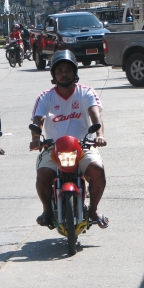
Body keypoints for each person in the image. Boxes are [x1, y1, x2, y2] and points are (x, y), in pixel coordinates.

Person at [29, 50, 109, 229]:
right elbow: (38, 120)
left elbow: (96, 116)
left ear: (75, 72)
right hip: (53, 148)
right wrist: (36, 138)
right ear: (54, 74)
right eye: (59, 71)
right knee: (42, 175)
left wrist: (100, 136)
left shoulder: (86, 92)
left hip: (83, 146)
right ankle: (47, 211)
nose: (64, 74)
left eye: (67, 70)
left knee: (97, 171)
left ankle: (94, 210)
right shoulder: (45, 97)